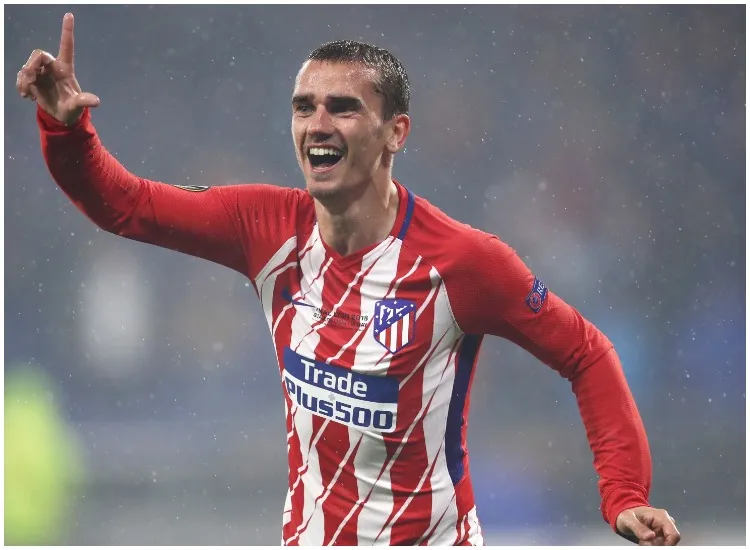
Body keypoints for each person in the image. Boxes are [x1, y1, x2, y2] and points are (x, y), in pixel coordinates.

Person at [17, 12, 681, 547]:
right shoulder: (264, 228)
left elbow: (585, 353)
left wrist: (624, 494)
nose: (318, 124)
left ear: (396, 133)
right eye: (304, 107)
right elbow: (125, 205)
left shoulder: (463, 263)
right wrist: (66, 129)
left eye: (342, 107)